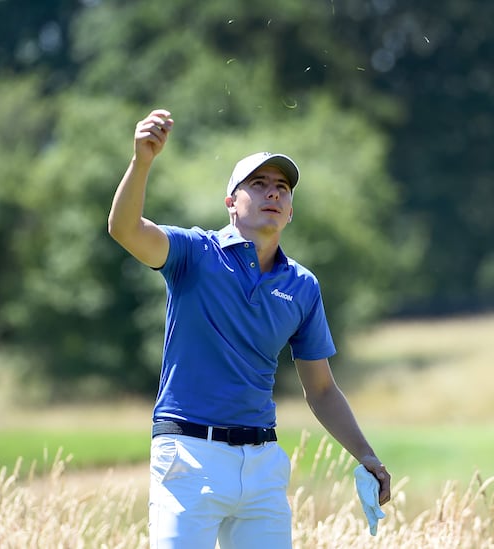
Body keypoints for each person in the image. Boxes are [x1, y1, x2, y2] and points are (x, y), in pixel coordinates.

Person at [108, 108, 391, 548]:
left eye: (282, 188)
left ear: (291, 210)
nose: (272, 194)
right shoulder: (194, 253)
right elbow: (124, 229)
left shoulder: (301, 286)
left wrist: (366, 454)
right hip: (188, 455)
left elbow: (321, 390)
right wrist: (141, 161)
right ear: (231, 203)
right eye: (257, 185)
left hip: (261, 466)